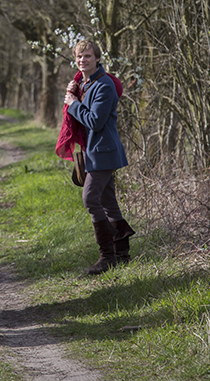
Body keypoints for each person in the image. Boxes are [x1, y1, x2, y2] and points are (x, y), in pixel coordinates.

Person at [61, 39, 135, 275]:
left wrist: (73, 104)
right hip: (93, 151)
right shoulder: (83, 84)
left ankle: (106, 258)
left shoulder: (104, 86)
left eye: (88, 56)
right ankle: (121, 253)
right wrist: (75, 97)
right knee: (109, 203)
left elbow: (95, 121)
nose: (83, 60)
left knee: (91, 199)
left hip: (104, 151)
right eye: (79, 57)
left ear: (98, 58)